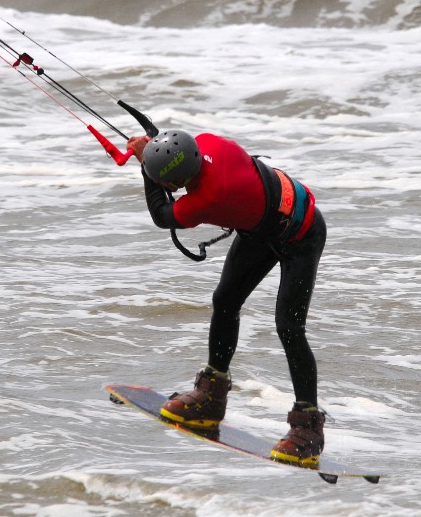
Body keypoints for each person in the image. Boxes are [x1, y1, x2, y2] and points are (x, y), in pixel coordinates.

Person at [126, 129, 328, 466]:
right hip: (262, 225)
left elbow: (163, 216)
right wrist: (154, 152)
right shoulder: (205, 141)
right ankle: (210, 397)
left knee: (289, 328)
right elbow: (175, 154)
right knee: (225, 301)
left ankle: (308, 430)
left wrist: (145, 164)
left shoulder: (211, 198)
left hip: (302, 234)